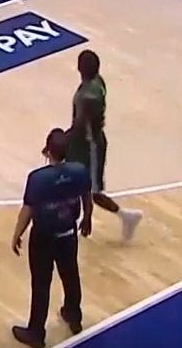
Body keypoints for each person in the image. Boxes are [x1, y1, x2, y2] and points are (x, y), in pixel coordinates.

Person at [10, 128, 93, 347]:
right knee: (70, 274)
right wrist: (87, 218)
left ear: (47, 150)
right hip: (68, 233)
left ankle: (36, 332)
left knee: (41, 284)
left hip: (43, 238)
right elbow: (87, 195)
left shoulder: (38, 178)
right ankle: (74, 315)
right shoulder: (79, 171)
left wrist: (17, 234)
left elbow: (28, 210)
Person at [67, 50, 143, 241]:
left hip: (90, 145)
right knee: (72, 180)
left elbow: (80, 123)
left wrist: (63, 138)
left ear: (80, 67)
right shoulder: (97, 82)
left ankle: (126, 217)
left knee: (94, 192)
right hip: (84, 142)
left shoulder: (88, 96)